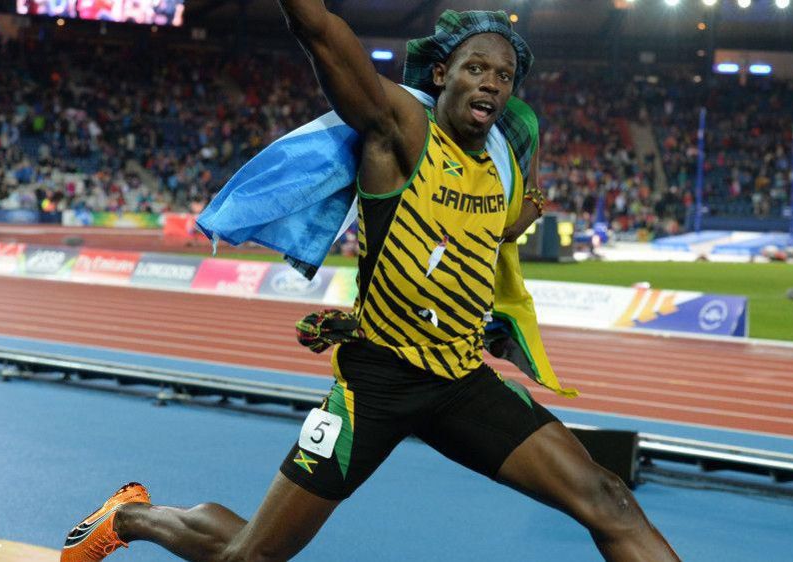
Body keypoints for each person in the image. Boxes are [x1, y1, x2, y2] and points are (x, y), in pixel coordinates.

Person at [59, 4, 681, 562]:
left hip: (460, 381)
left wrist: (367, 310)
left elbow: (496, 232)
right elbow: (320, 30)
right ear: (441, 76)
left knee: (609, 500)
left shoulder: (500, 170)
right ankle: (130, 515)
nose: (491, 81)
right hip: (376, 387)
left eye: (504, 76)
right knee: (249, 558)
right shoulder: (400, 131)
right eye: (476, 67)